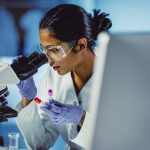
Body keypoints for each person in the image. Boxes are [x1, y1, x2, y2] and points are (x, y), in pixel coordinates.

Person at [15, 4, 112, 150]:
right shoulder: (54, 75)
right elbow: (41, 143)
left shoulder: (113, 73)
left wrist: (82, 118)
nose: (48, 59)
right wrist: (28, 97)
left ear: (81, 44)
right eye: (44, 49)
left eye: (54, 49)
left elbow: (123, 138)